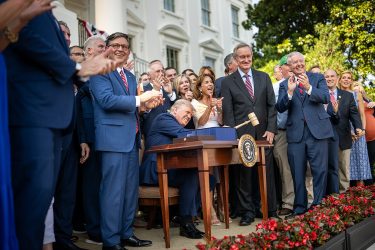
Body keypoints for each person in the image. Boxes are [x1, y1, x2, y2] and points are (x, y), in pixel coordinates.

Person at [2, 1, 118, 249]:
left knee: (42, 199)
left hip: (53, 118)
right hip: (31, 113)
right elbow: (26, 38)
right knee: (32, 201)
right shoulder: (19, 5)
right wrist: (78, 66)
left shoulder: (45, 10)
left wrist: (85, 69)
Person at [90, 32, 162, 250]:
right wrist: (141, 99)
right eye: (115, 45)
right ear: (107, 49)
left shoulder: (130, 76)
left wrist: (144, 107)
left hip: (132, 139)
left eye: (124, 46)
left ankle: (125, 233)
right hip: (112, 140)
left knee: (131, 191)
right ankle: (111, 242)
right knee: (113, 193)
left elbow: (130, 106)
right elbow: (107, 100)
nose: (120, 49)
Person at [221, 43, 278, 225]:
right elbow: (228, 111)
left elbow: (271, 106)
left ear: (252, 56)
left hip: (264, 134)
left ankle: (269, 209)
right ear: (236, 59)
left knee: (266, 172)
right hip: (242, 135)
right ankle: (247, 212)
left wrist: (271, 129)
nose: (245, 60)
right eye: (241, 57)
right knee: (244, 175)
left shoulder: (264, 77)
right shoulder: (228, 82)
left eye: (248, 56)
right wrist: (232, 135)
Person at [276, 52, 333, 218]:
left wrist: (308, 88)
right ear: (290, 66)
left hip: (318, 132)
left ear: (304, 62)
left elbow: (325, 97)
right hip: (296, 135)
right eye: (295, 62)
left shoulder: (317, 78)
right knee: (297, 172)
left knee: (320, 171)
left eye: (301, 61)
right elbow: (280, 107)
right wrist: (290, 93)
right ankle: (300, 208)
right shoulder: (284, 84)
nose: (299, 64)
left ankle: (317, 206)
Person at [139, 99, 206, 239]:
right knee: (192, 175)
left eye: (191, 115)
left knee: (207, 178)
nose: (189, 117)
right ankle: (186, 222)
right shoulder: (164, 118)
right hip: (155, 170)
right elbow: (184, 134)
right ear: (175, 110)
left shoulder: (174, 123)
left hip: (167, 168)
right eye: (187, 112)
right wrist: (211, 134)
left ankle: (182, 216)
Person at [75, 35, 106, 245]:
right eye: (102, 46)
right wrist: (83, 139)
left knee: (104, 186)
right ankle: (94, 230)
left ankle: (104, 227)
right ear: (89, 52)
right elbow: (78, 107)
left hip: (107, 136)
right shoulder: (81, 72)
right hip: (89, 137)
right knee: (91, 186)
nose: (107, 49)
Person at [324, 69, 363, 194]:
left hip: (344, 137)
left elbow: (354, 114)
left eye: (332, 76)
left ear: (337, 79)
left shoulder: (347, 95)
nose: (329, 79)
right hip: (325, 138)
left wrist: (358, 127)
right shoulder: (319, 94)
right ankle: (330, 196)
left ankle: (342, 196)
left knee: (343, 168)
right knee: (329, 168)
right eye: (326, 77)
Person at [338, 72, 372, 186]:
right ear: (340, 80)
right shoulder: (336, 94)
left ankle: (360, 196)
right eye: (344, 78)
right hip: (344, 130)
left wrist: (362, 130)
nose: (346, 80)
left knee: (359, 159)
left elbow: (362, 114)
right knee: (346, 161)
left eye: (349, 78)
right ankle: (346, 191)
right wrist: (349, 131)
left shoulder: (356, 94)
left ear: (352, 81)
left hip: (358, 130)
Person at [272, 55, 295, 216]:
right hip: (281, 132)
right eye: (288, 64)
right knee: (284, 169)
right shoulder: (275, 86)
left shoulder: (305, 82)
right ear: (281, 68)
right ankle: (288, 202)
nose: (292, 66)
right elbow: (271, 110)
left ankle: (308, 200)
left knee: (305, 168)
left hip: (301, 131)